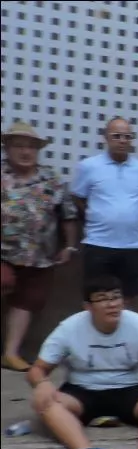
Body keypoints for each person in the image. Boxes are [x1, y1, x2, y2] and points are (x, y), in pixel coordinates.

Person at [27, 275, 138, 449]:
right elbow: (37, 369)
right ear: (88, 306)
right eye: (102, 299)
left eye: (116, 297)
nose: (112, 305)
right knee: (43, 400)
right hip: (82, 391)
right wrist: (42, 383)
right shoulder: (69, 327)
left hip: (130, 389)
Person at [2, 121, 79, 372]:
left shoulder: (51, 179)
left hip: (39, 255)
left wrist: (69, 245)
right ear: (7, 148)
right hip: (4, 252)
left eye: (31, 147)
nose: (26, 152)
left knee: (27, 301)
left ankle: (10, 353)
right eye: (19, 146)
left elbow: (67, 214)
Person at [72, 117, 138, 305]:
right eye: (116, 136)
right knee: (95, 296)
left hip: (132, 245)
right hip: (98, 242)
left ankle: (123, 334)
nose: (122, 140)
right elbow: (78, 197)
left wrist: (130, 220)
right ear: (106, 138)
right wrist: (96, 217)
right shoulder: (88, 167)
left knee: (127, 297)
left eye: (127, 136)